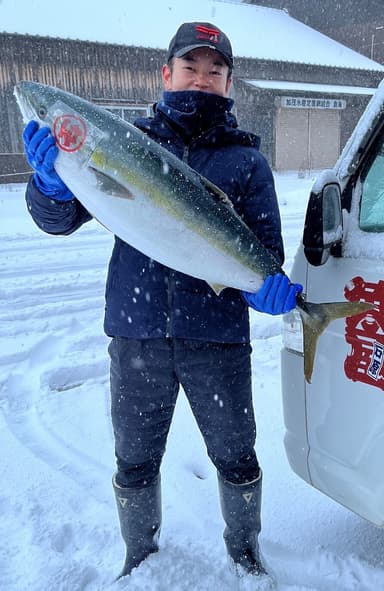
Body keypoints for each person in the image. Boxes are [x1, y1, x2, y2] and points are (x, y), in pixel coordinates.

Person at [22, 21, 302, 584]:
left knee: (237, 456)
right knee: (134, 461)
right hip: (136, 334)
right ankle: (139, 553)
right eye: (190, 68)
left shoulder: (248, 162)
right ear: (166, 72)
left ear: (229, 85)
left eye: (215, 71)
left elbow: (264, 251)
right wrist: (51, 187)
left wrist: (266, 288)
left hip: (217, 339)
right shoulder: (120, 143)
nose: (201, 80)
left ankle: (245, 551)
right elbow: (59, 220)